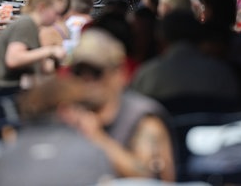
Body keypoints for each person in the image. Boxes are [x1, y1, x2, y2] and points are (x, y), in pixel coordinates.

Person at [64, 28, 175, 181]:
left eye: (96, 72)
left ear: (119, 74)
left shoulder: (142, 119)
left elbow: (150, 178)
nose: (86, 80)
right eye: (79, 72)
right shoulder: (66, 115)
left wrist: (98, 138)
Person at [0, 77, 114, 185]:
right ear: (65, 111)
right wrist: (97, 136)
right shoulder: (91, 153)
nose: (88, 115)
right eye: (81, 109)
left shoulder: (4, 154)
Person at [0, 0, 67, 93]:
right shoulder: (26, 24)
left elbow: (42, 66)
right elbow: (13, 59)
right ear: (42, 7)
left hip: (8, 85)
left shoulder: (32, 25)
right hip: (5, 89)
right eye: (56, 13)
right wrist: (50, 50)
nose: (58, 18)